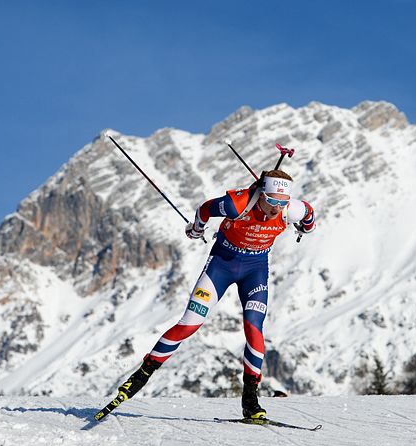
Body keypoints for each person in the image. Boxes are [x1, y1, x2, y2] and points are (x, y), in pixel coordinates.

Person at [113, 169, 316, 419]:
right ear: (261, 193)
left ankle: (250, 400)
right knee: (189, 325)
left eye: (282, 202)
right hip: (222, 264)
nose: (276, 209)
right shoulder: (237, 204)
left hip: (255, 270)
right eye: (272, 201)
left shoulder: (291, 209)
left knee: (254, 328)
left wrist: (305, 228)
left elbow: (309, 216)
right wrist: (197, 229)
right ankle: (140, 376)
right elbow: (205, 209)